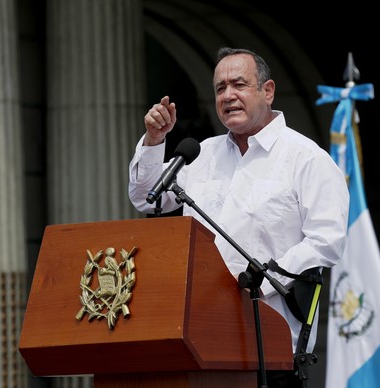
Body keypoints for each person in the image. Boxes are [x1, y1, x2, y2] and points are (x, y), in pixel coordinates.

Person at [128, 47, 349, 387]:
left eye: (239, 84)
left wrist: (261, 277)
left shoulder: (306, 159)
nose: (228, 95)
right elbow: (146, 198)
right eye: (220, 88)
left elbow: (327, 241)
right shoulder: (201, 155)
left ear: (268, 91)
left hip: (269, 348)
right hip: (201, 345)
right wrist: (155, 141)